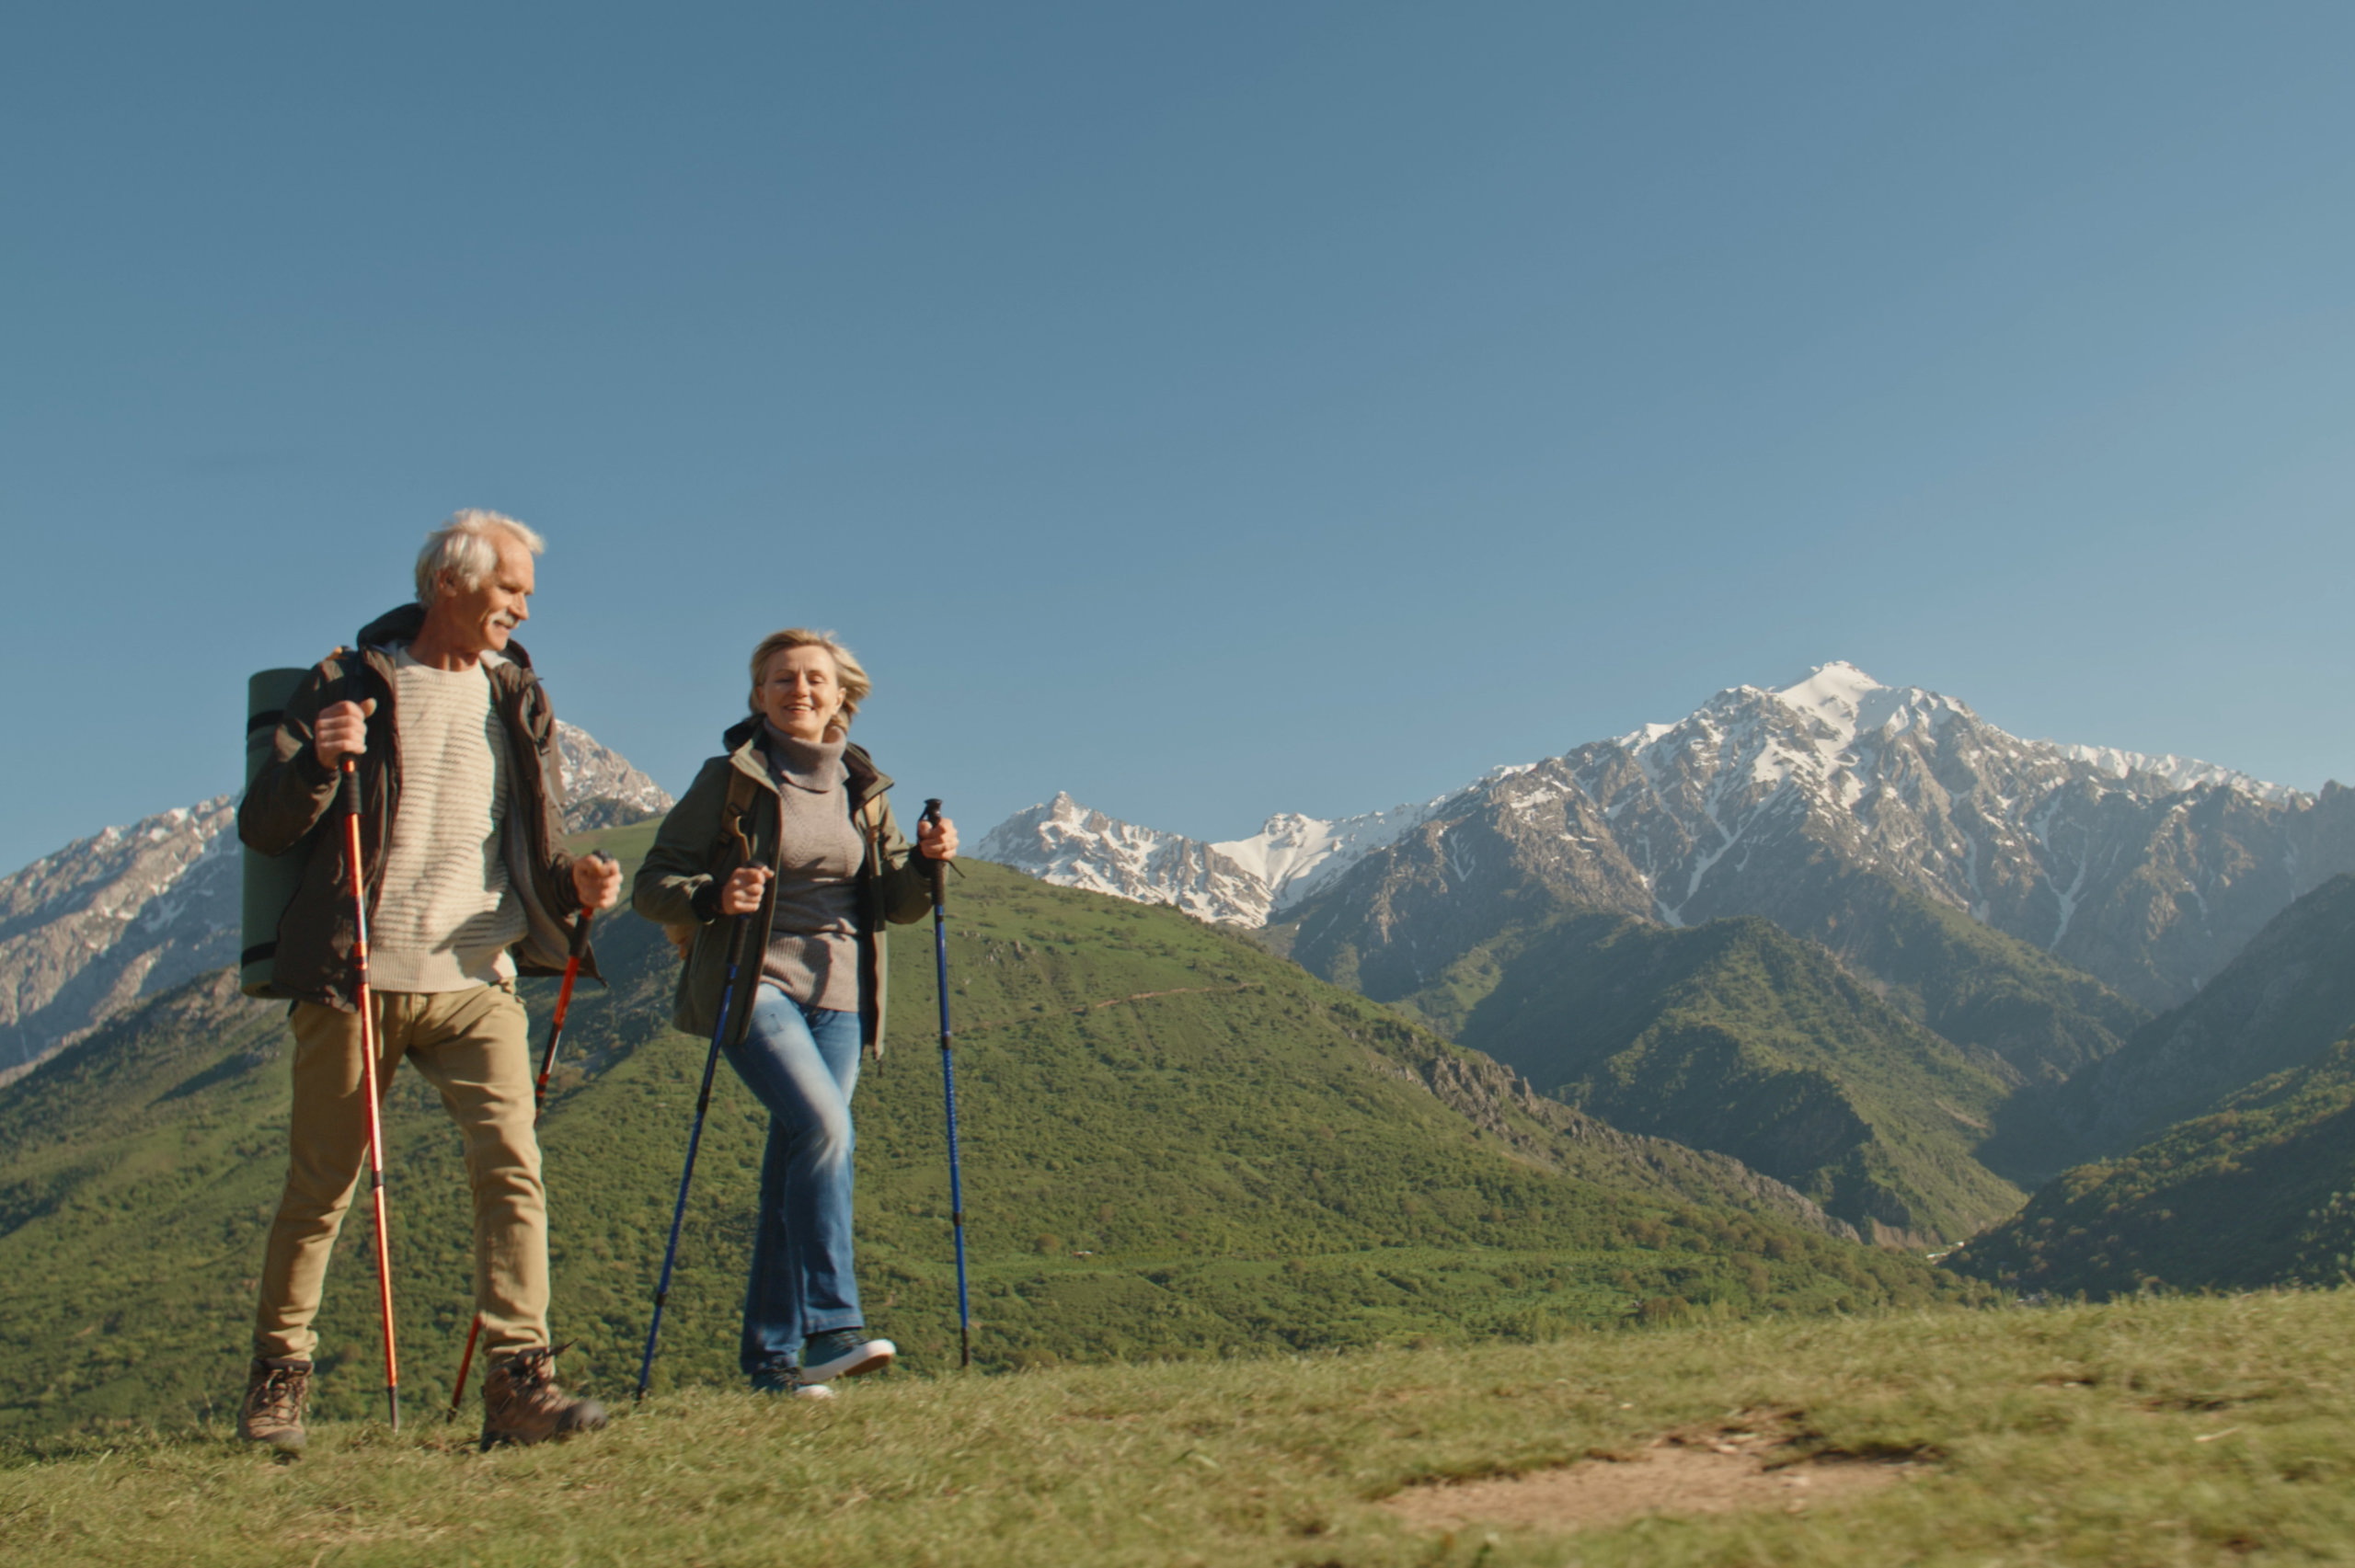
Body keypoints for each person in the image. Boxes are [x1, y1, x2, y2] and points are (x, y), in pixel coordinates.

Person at [236, 509, 623, 1451]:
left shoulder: (519, 695)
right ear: (449, 583)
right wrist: (323, 759)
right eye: (511, 589)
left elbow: (538, 832)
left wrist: (574, 884)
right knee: (322, 1186)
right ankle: (279, 1383)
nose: (523, 609)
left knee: (512, 1167)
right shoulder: (349, 681)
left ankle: (520, 1383)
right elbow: (266, 825)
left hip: (476, 974)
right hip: (353, 972)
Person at [633, 628, 955, 1398]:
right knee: (825, 1129)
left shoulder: (861, 786)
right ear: (758, 696)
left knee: (794, 1167)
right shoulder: (730, 780)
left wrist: (928, 865)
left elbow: (889, 904)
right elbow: (653, 883)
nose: (797, 690)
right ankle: (833, 1324)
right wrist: (713, 895)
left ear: (842, 696)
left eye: (813, 679)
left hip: (841, 993)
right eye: (781, 679)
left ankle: (774, 1363)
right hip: (753, 981)